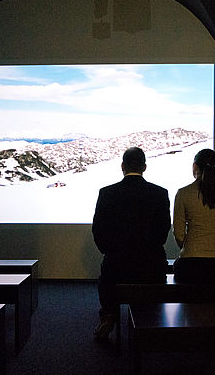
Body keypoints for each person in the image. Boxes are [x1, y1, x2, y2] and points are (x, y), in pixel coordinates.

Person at [92, 147, 171, 342]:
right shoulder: (160, 194)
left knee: (106, 276)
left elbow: (98, 230)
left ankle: (109, 315)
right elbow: (163, 231)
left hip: (117, 266)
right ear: (144, 167)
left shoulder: (107, 193)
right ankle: (151, 321)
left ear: (122, 167)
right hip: (152, 267)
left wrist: (110, 252)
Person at [172, 148, 215, 283]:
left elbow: (178, 233)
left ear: (195, 167)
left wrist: (189, 247)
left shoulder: (183, 193)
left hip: (191, 263)